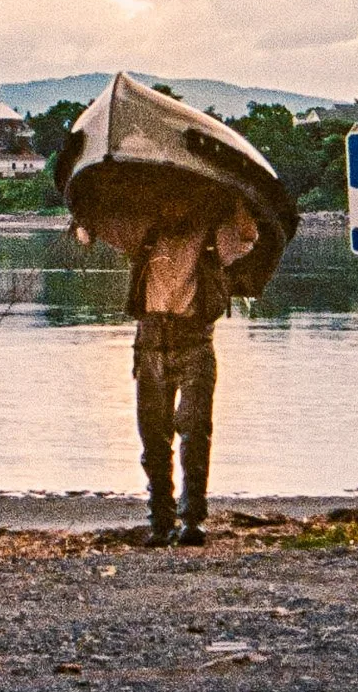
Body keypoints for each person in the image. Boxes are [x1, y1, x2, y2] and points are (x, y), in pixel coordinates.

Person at [109, 189, 259, 548]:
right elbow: (106, 226)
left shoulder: (211, 236)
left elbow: (248, 236)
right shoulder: (146, 236)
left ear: (193, 202)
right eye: (165, 200)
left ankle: (192, 520)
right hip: (150, 345)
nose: (172, 205)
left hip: (195, 344)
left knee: (195, 432)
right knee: (154, 438)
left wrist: (237, 196)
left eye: (179, 199)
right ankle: (160, 521)